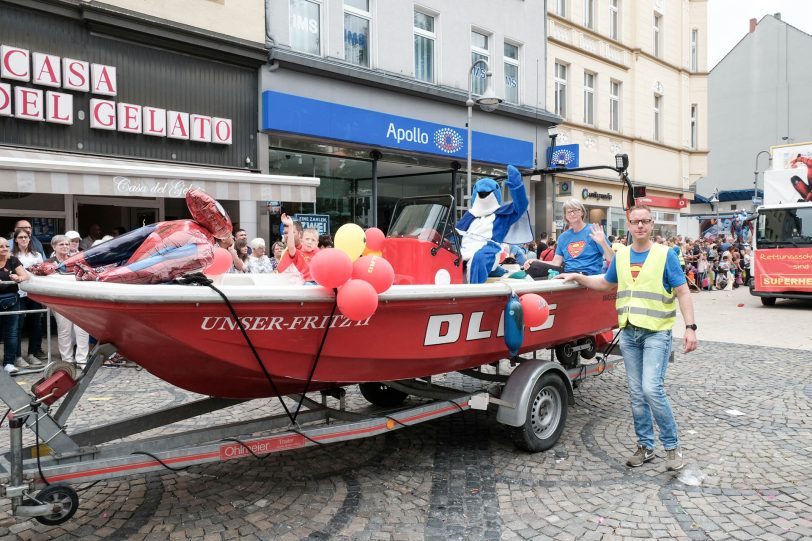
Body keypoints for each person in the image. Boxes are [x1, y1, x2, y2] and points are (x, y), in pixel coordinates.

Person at [558, 205, 697, 472]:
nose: (640, 226)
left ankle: (672, 447)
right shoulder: (621, 257)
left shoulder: (664, 254)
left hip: (656, 332)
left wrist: (690, 327)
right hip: (630, 333)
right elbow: (606, 284)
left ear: (652, 224)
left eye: (645, 221)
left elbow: (683, 292)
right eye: (635, 222)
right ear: (629, 225)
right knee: (635, 394)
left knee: (651, 390)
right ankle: (645, 446)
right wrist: (578, 276)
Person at [524, 199, 613, 278]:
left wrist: (603, 243)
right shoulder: (563, 237)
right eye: (569, 212)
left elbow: (612, 259)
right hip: (568, 272)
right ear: (565, 215)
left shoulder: (593, 230)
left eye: (576, 210)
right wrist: (536, 261)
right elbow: (556, 263)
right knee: (533, 266)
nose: (572, 214)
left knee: (573, 274)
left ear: (582, 212)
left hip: (588, 275)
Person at [46, 235, 90, 367]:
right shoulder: (48, 262)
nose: (65, 247)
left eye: (66, 244)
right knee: (64, 330)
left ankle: (82, 359)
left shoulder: (75, 260)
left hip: (78, 299)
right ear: (54, 247)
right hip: (59, 301)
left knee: (82, 329)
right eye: (61, 244)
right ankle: (67, 360)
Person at [11, 228, 46, 367]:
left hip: (34, 292)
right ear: (15, 239)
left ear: (30, 238)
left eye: (26, 237)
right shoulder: (11, 255)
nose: (24, 239)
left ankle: (32, 354)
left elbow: (41, 272)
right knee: (18, 325)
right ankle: (17, 356)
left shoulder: (36, 255)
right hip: (18, 293)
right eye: (20, 237)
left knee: (35, 324)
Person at [0, 237, 30, 374]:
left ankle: (9, 363)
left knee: (11, 333)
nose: (5, 249)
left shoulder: (13, 260)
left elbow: (25, 276)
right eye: (1, 246)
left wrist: (18, 278)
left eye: (6, 246)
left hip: (11, 300)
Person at [278, 213, 319, 282]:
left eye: (291, 232)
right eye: (285, 233)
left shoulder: (317, 251)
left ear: (300, 234)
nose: (287, 235)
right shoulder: (290, 251)